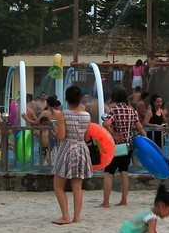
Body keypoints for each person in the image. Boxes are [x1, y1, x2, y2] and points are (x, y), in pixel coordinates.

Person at [51, 86, 92, 225]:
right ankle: (76, 217)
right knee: (77, 186)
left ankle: (65, 216)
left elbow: (61, 136)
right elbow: (87, 137)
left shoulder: (63, 114)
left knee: (58, 185)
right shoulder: (87, 115)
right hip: (81, 148)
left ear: (67, 99)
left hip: (68, 149)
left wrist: (55, 131)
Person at [101, 87, 146, 208]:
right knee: (124, 172)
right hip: (128, 145)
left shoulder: (114, 110)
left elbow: (106, 123)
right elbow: (140, 127)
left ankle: (106, 202)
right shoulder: (132, 111)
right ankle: (124, 200)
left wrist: (114, 134)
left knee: (109, 173)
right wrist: (145, 141)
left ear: (114, 97)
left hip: (116, 146)